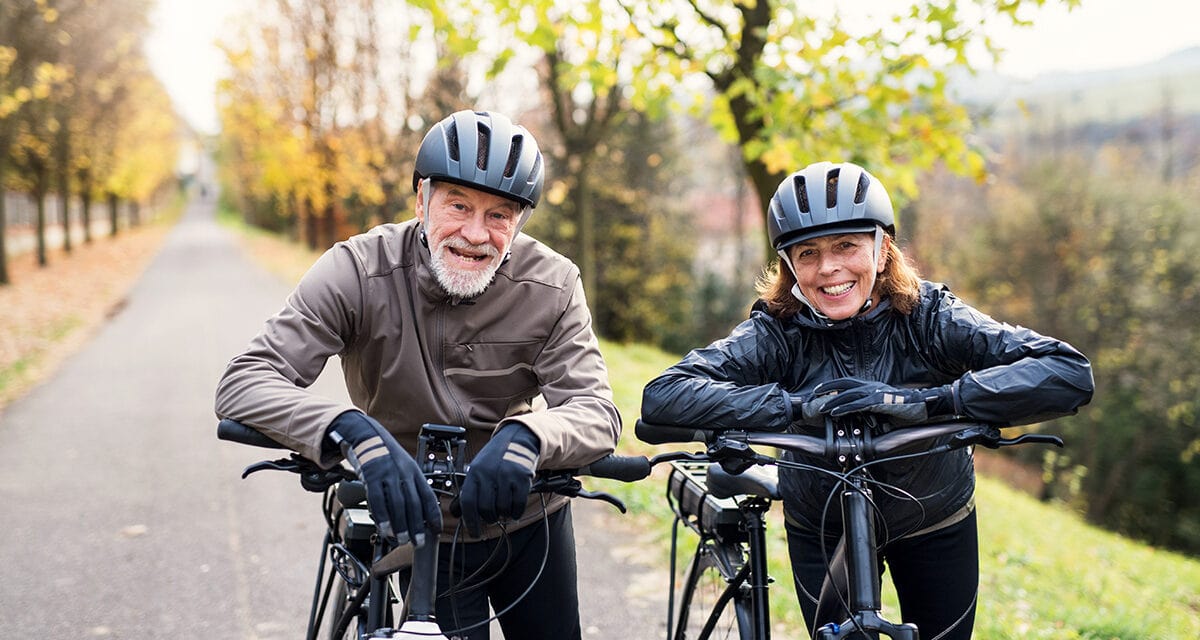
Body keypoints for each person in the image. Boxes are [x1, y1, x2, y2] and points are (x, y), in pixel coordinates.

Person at [640, 161, 1093, 639]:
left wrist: (934, 402)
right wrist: (794, 407)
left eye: (846, 246)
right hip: (823, 522)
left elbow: (1067, 372)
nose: (828, 267)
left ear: (882, 251)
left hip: (932, 516)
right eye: (807, 253)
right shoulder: (778, 331)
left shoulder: (930, 318)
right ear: (790, 266)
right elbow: (664, 395)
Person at [215, 109, 621, 639]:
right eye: (458, 205)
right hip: (417, 517)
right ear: (421, 199)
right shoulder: (358, 270)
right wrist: (350, 430)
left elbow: (597, 412)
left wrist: (529, 437)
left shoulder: (555, 283)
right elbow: (245, 380)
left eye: (500, 215)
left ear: (519, 222)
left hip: (527, 516)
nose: (476, 235)